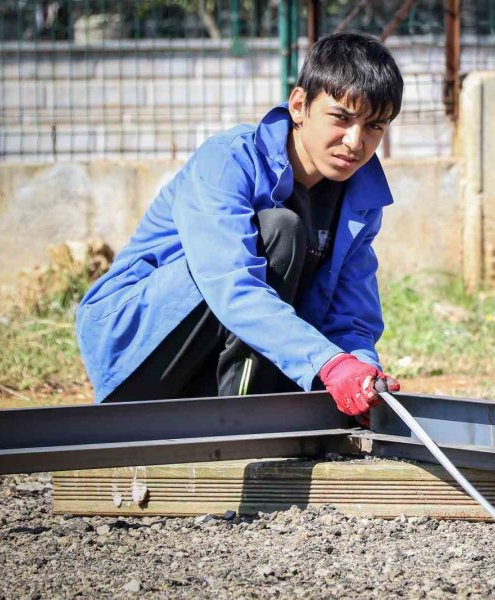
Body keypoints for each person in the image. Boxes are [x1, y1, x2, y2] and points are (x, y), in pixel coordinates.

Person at [75, 32, 402, 424]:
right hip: (138, 353)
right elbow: (231, 285)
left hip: (230, 364)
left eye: (374, 126)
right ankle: (239, 429)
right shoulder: (229, 160)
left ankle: (246, 416)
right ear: (299, 106)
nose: (355, 141)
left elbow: (352, 318)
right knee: (281, 230)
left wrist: (362, 375)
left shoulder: (359, 198)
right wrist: (329, 363)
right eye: (342, 118)